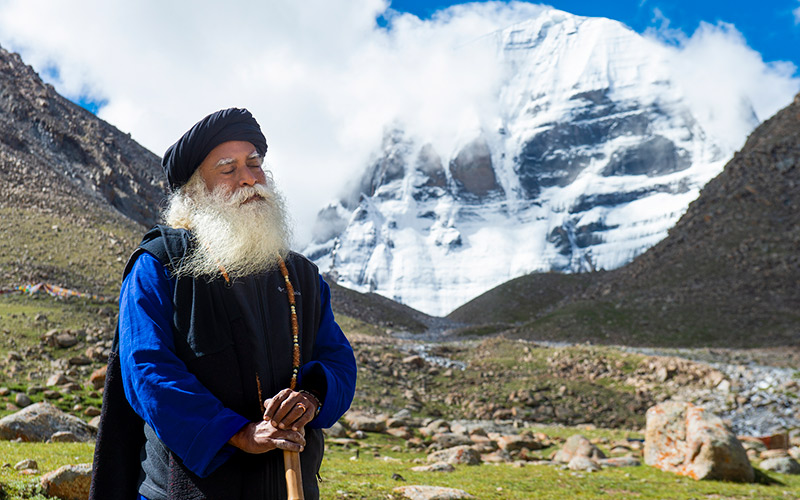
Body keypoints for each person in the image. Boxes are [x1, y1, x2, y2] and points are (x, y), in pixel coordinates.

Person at [89, 107, 357, 500]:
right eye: (228, 170)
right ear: (196, 192)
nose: (249, 178)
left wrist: (311, 399)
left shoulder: (301, 275)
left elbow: (338, 359)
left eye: (255, 164)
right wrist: (239, 434)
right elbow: (147, 370)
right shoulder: (160, 263)